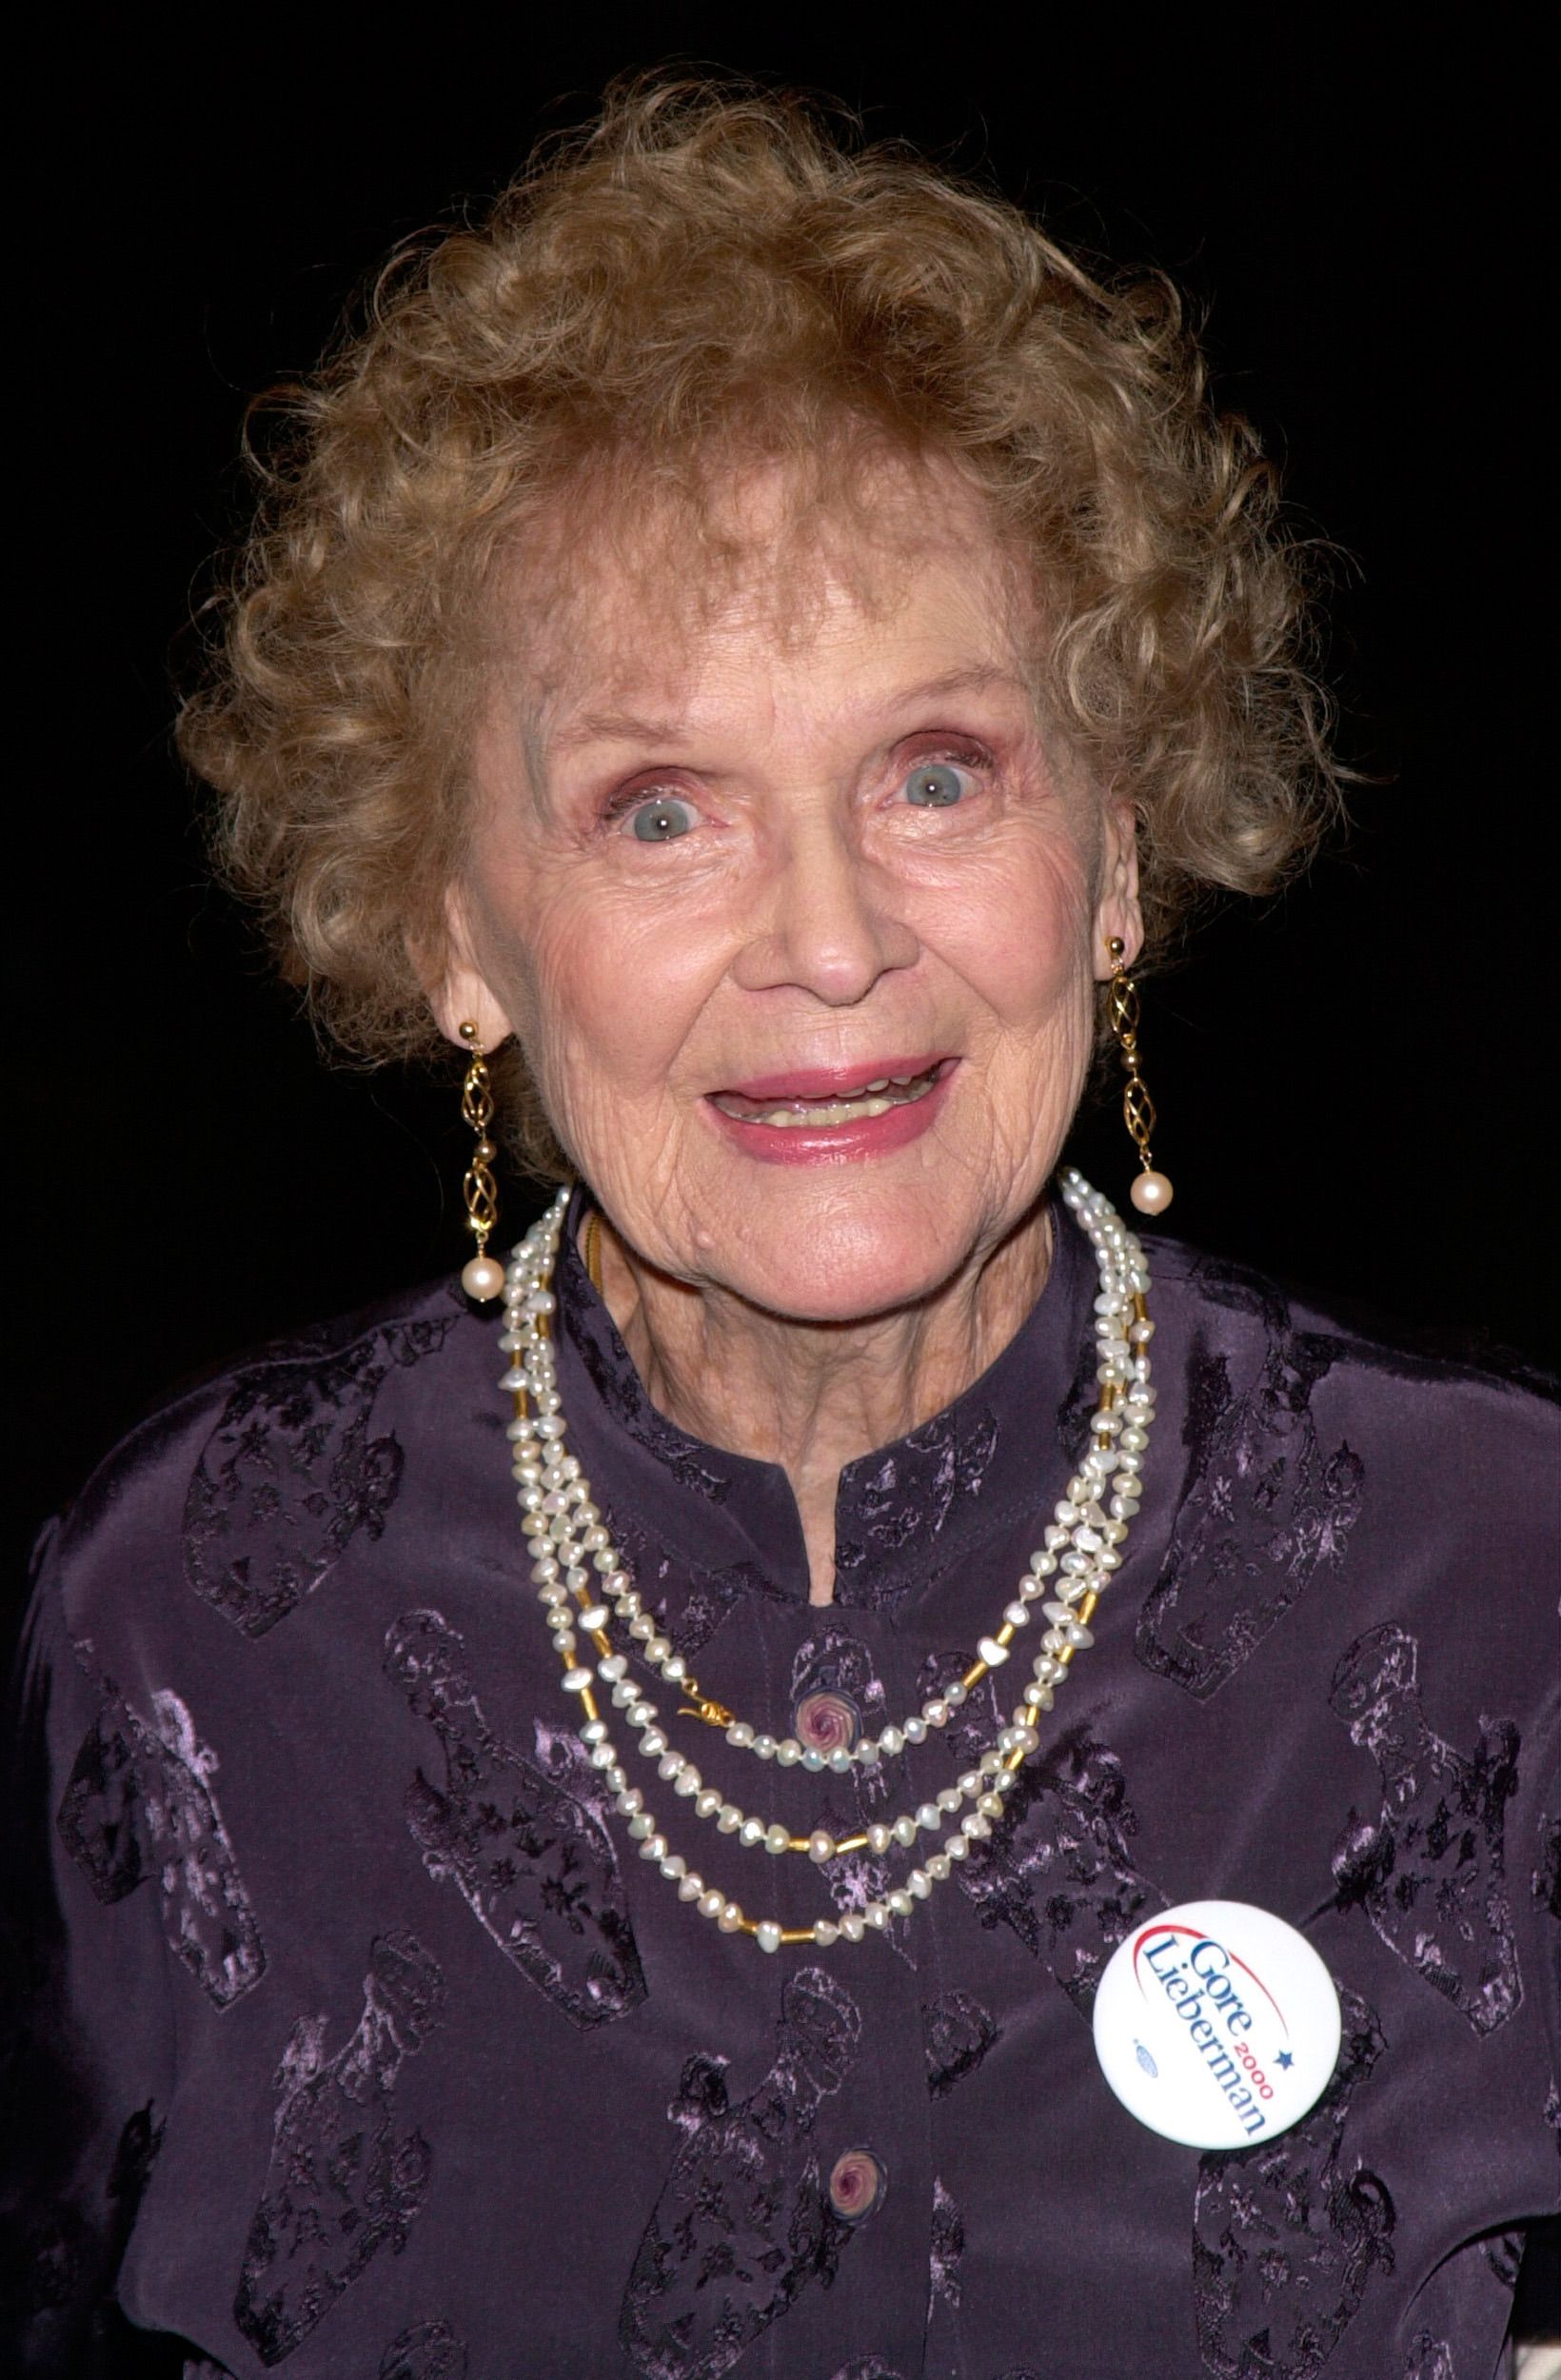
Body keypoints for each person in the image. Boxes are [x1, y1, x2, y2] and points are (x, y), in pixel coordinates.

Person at [5, 78, 1555, 2380]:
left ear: (1114, 855)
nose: (829, 940)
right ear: (450, 922)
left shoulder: (1499, 1571)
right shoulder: (187, 1628)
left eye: (938, 773)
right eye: (662, 810)